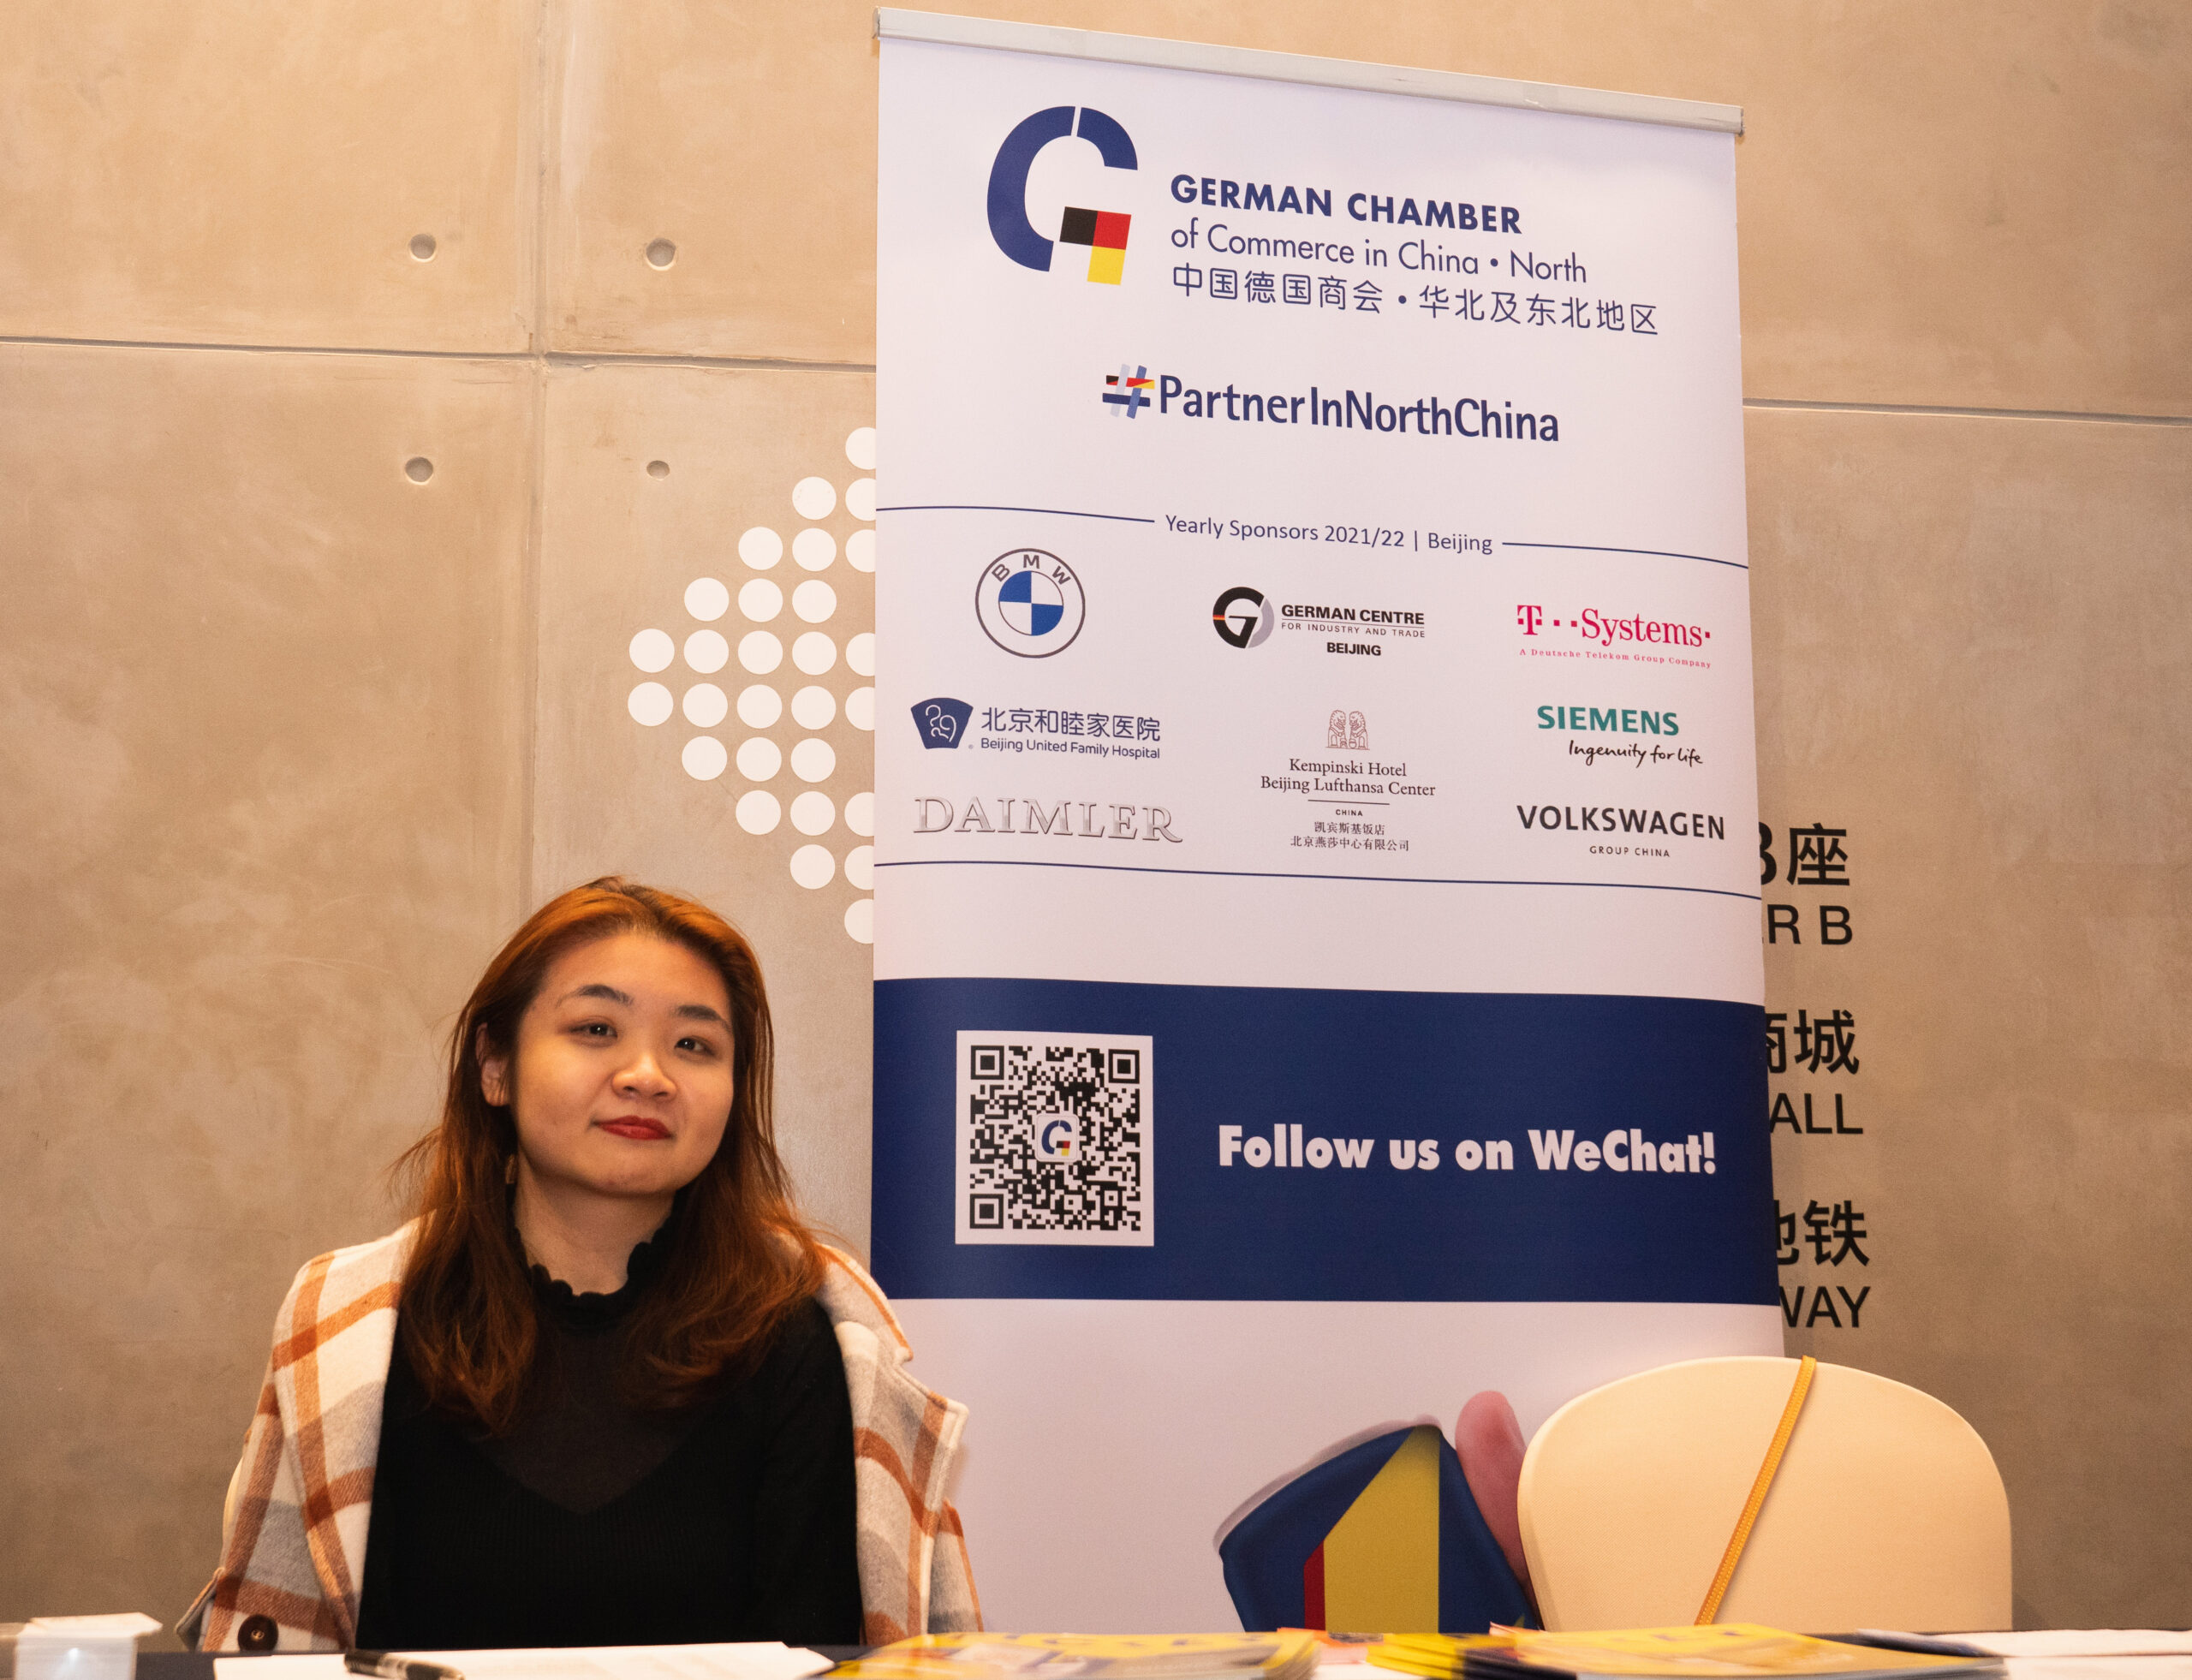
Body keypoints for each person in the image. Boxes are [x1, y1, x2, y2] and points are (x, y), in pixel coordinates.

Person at [187, 879, 977, 1653]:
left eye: (694, 1045)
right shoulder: (356, 1332)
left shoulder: (804, 1338)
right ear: (495, 1065)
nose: (647, 1075)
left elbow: (828, 1658)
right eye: (597, 1029)